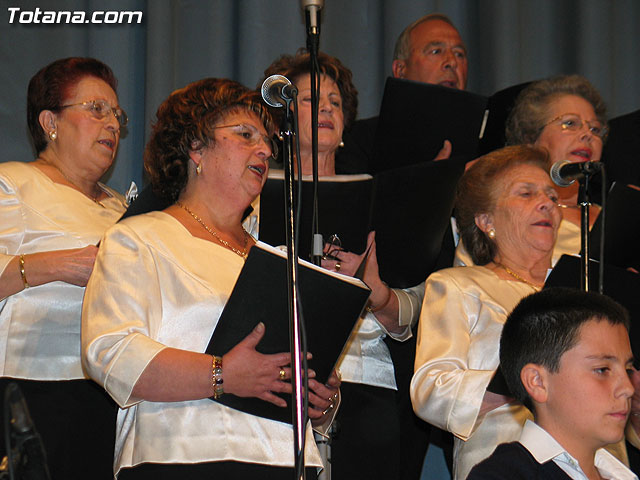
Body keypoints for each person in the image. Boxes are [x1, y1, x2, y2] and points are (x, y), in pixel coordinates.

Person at [81, 78, 339, 479]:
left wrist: (323, 400)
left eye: (267, 141)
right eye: (245, 135)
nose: (265, 149)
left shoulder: (281, 262)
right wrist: (222, 375)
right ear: (196, 147)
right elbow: (110, 353)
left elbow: (309, 382)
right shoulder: (139, 238)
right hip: (183, 456)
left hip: (285, 462)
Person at [262, 50, 428, 480]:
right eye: (309, 100)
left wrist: (378, 294)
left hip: (369, 388)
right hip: (283, 382)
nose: (326, 110)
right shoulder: (255, 200)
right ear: (279, 122)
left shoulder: (379, 201)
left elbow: (419, 306)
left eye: (335, 102)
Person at [0, 57, 128, 479]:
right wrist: (60, 265)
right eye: (96, 109)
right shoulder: (12, 184)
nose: (112, 124)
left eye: (117, 114)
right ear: (50, 122)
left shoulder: (122, 208)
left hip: (111, 395)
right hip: (33, 391)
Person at [411, 145, 562, 480]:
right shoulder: (459, 285)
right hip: (504, 466)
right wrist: (516, 382)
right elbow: (431, 390)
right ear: (486, 221)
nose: (547, 203)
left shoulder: (581, 295)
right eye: (526, 193)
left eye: (552, 196)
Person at [468, 288, 637, 480]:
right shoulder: (502, 475)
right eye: (602, 370)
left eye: (628, 370)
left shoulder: (620, 474)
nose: (628, 389)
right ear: (538, 382)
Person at [338, 13, 468, 174]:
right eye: (436, 51)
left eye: (459, 54)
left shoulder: (484, 142)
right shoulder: (360, 140)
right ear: (400, 70)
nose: (452, 62)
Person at [505, 74, 608, 260]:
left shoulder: (614, 217)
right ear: (531, 139)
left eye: (595, 129)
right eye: (570, 123)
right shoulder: (510, 213)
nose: (587, 134)